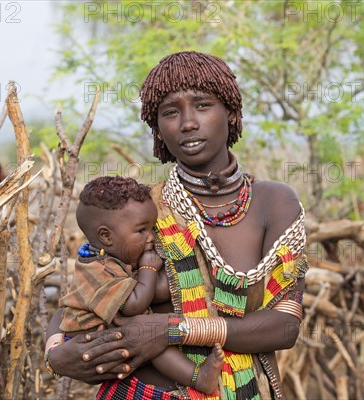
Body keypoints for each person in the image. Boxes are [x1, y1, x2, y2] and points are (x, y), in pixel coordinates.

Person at [45, 51, 308, 399]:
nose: (187, 123)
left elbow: (284, 327)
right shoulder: (140, 210)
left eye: (202, 105)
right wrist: (56, 353)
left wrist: (170, 330)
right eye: (170, 112)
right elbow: (83, 295)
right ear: (158, 129)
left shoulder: (274, 203)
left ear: (230, 112)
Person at [54, 176, 224, 395]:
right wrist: (149, 269)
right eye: (142, 230)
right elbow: (134, 304)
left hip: (109, 334)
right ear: (106, 236)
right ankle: (199, 379)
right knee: (151, 340)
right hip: (95, 340)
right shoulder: (98, 270)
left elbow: (156, 291)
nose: (151, 237)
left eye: (153, 228)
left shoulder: (108, 258)